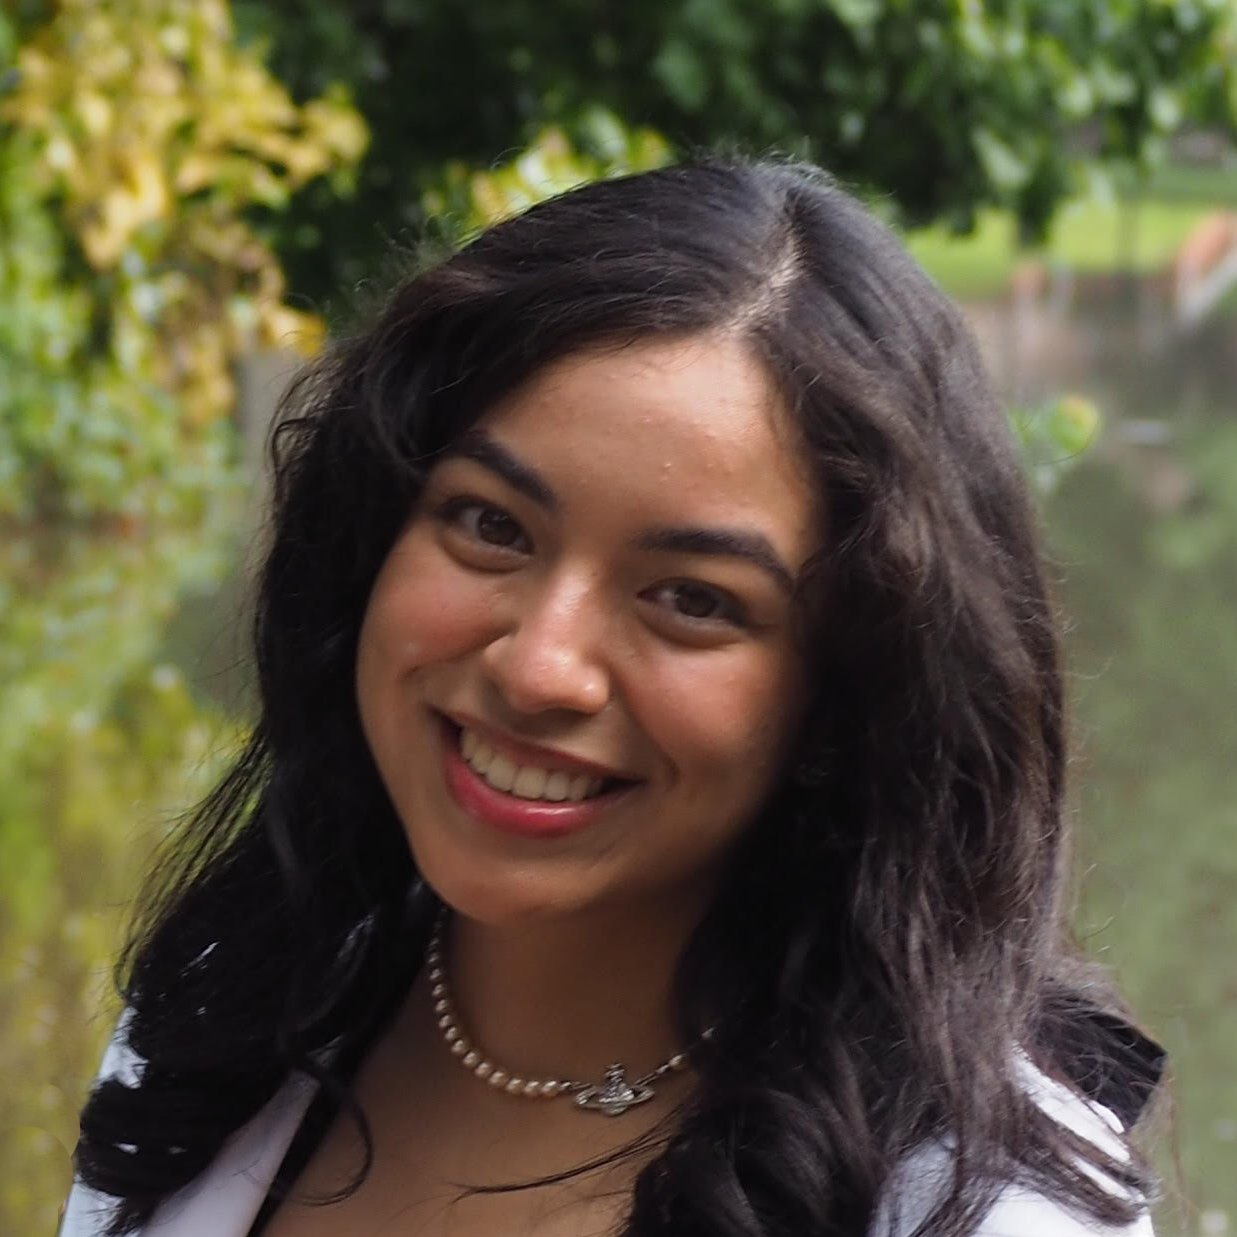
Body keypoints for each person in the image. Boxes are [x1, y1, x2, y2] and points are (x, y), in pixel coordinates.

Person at [61, 157, 1165, 1237]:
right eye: (491, 525)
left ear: (847, 696)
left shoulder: (984, 1211)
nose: (540, 666)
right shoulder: (219, 1022)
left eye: (691, 598)